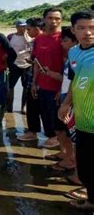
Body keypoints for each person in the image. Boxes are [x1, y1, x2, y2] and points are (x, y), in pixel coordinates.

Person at [59, 10, 94, 210]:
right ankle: (91, 200)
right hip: (82, 120)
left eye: (92, 28)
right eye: (82, 28)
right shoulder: (74, 52)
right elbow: (75, 79)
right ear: (73, 30)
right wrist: (65, 104)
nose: (88, 33)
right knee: (87, 168)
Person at [31, 7, 64, 148]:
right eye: (50, 18)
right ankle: (51, 136)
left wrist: (62, 90)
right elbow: (37, 62)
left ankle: (58, 140)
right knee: (45, 112)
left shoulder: (64, 38)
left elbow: (68, 66)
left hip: (58, 85)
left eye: (57, 19)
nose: (54, 21)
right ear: (44, 19)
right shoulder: (39, 38)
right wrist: (33, 83)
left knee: (56, 116)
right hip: (42, 84)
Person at [47, 27, 78, 172]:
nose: (62, 44)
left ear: (74, 40)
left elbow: (77, 83)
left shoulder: (79, 57)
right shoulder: (70, 58)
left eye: (65, 41)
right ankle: (65, 154)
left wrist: (68, 102)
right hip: (64, 98)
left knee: (71, 134)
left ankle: (71, 161)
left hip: (72, 103)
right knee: (60, 131)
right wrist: (61, 92)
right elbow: (67, 80)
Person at [18, 18, 44, 141]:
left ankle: (51, 135)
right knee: (32, 105)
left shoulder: (43, 40)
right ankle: (32, 131)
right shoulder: (36, 41)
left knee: (43, 107)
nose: (27, 32)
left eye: (28, 29)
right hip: (33, 75)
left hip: (42, 78)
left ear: (37, 28)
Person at [7, 19, 31, 113]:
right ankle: (9, 107)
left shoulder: (30, 37)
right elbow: (6, 50)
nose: (23, 28)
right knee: (10, 86)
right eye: (21, 26)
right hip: (14, 65)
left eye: (25, 26)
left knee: (26, 87)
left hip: (27, 64)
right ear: (17, 27)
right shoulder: (10, 37)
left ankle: (23, 107)